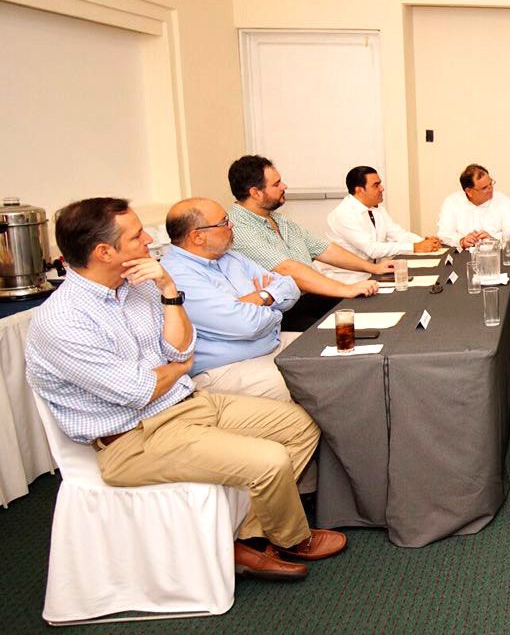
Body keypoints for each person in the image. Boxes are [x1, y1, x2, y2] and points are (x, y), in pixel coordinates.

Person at [25, 197, 345, 581]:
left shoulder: (140, 288)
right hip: (132, 439)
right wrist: (177, 368)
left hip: (185, 403)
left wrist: (169, 288)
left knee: (300, 425)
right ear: (104, 252)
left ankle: (251, 535)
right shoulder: (63, 319)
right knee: (271, 459)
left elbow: (182, 349)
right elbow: (140, 390)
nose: (149, 239)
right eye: (136, 236)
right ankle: (292, 539)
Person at [161, 198, 299, 403]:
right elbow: (246, 325)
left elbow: (290, 287)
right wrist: (272, 305)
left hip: (272, 343)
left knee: (334, 351)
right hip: (225, 368)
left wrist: (262, 297)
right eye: (224, 222)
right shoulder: (176, 274)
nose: (231, 225)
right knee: (304, 383)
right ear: (197, 236)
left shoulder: (231, 257)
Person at [227, 155, 387, 301]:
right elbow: (286, 269)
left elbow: (323, 248)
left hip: (308, 296)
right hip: (283, 310)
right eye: (276, 184)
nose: (284, 186)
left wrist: (374, 268)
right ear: (255, 193)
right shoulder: (238, 227)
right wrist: (346, 289)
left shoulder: (278, 219)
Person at [327, 166, 443, 261]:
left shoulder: (377, 209)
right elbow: (372, 249)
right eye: (376, 185)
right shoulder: (343, 214)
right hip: (350, 277)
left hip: (375, 271)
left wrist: (423, 242)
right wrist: (414, 247)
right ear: (359, 190)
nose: (382, 188)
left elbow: (398, 234)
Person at [437, 163, 510, 248]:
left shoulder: (503, 201)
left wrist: (493, 238)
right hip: (464, 253)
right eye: (484, 188)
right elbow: (443, 234)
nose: (490, 189)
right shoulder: (452, 202)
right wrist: (461, 240)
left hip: (495, 252)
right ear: (469, 192)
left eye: (491, 183)